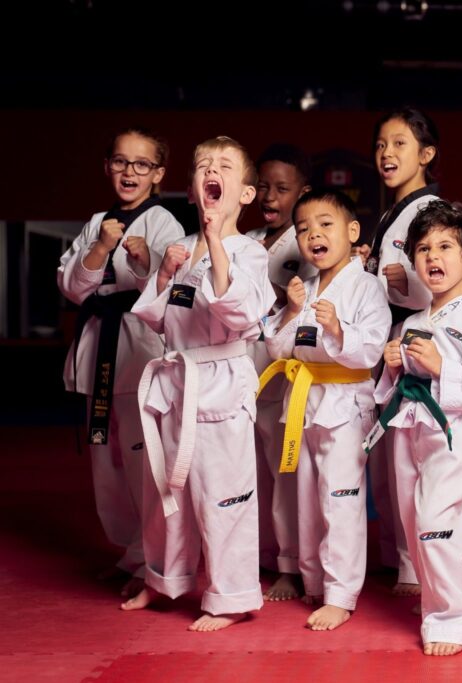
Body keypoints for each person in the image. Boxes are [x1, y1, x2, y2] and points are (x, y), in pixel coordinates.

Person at [121, 136, 275, 632]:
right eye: (203, 164)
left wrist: (212, 241)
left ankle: (231, 596)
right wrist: (165, 277)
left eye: (225, 165)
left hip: (221, 386)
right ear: (192, 187)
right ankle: (164, 579)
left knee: (223, 495)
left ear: (246, 193)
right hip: (175, 383)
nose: (212, 169)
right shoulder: (180, 248)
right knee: (165, 494)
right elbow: (155, 318)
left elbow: (243, 312)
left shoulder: (250, 252)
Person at [366, 199, 462, 655]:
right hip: (410, 429)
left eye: (446, 246)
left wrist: (444, 367)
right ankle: (438, 595)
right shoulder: (412, 322)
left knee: (434, 520)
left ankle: (454, 617)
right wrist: (391, 367)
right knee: (415, 520)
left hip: (453, 430)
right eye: (423, 248)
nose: (433, 257)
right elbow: (396, 386)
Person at [57, 127, 183, 596]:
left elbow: (174, 289)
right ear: (107, 166)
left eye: (142, 164)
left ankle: (154, 561)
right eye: (120, 162)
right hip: (98, 346)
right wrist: (100, 248)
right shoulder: (97, 222)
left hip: (138, 348)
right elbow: (72, 287)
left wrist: (145, 258)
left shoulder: (165, 223)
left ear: (158, 174)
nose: (129, 172)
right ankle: (127, 551)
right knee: (103, 463)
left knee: (142, 463)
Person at [261, 189, 391, 631]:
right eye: (304, 228)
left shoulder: (367, 285)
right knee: (307, 499)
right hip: (305, 402)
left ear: (353, 232)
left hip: (346, 404)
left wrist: (336, 328)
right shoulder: (306, 288)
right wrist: (292, 312)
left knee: (341, 500)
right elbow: (278, 348)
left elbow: (371, 347)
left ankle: (341, 593)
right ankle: (313, 580)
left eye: (325, 223)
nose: (314, 234)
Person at [361, 108, 443, 596]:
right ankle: (400, 558)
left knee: (414, 460)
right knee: (391, 461)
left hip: (416, 342)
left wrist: (400, 281)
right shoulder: (394, 212)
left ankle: (417, 570)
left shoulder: (430, 211)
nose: (387, 154)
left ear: (426, 155)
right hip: (389, 344)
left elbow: (439, 280)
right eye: (381, 145)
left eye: (399, 145)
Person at [247, 142, 317, 601]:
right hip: (242, 372)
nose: (271, 197)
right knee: (249, 473)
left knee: (285, 474)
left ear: (303, 193)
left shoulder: (312, 245)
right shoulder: (246, 241)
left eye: (283, 189)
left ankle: (290, 565)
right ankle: (259, 556)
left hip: (286, 373)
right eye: (265, 187)